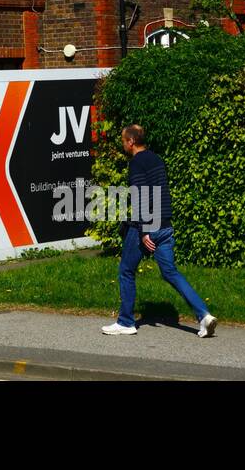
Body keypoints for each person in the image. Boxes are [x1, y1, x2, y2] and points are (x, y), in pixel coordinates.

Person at [102, 124, 215, 337]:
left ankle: (126, 322)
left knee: (126, 271)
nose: (123, 144)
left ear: (131, 142)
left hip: (145, 227)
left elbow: (141, 196)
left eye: (123, 140)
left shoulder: (136, 163)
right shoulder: (156, 159)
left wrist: (145, 231)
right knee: (170, 272)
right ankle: (204, 316)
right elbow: (161, 195)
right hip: (165, 225)